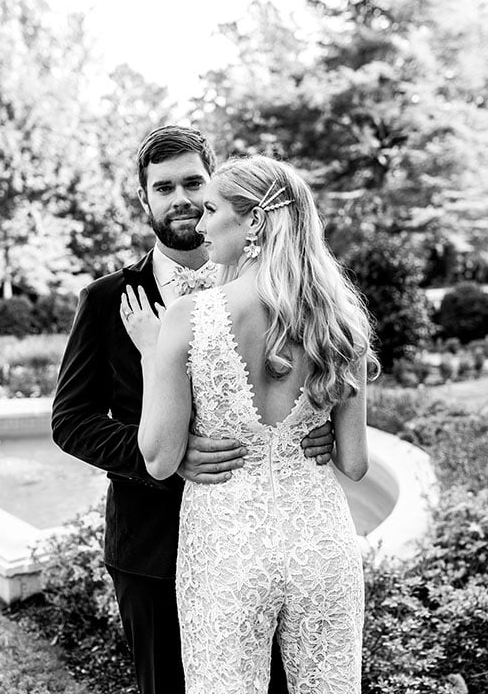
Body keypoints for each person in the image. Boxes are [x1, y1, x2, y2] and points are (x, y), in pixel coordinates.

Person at [51, 127, 335, 694]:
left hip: (263, 540)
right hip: (152, 544)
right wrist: (166, 454)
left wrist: (319, 424)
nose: (180, 199)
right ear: (144, 200)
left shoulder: (283, 288)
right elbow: (71, 420)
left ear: (214, 188)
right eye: (163, 187)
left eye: (193, 184)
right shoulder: (108, 299)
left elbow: (325, 371)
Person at [123, 154, 380, 694]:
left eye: (211, 208)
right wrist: (320, 431)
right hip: (321, 545)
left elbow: (160, 457)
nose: (199, 221)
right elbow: (355, 465)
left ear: (255, 223)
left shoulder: (187, 318)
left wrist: (152, 355)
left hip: (227, 551)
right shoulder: (343, 321)